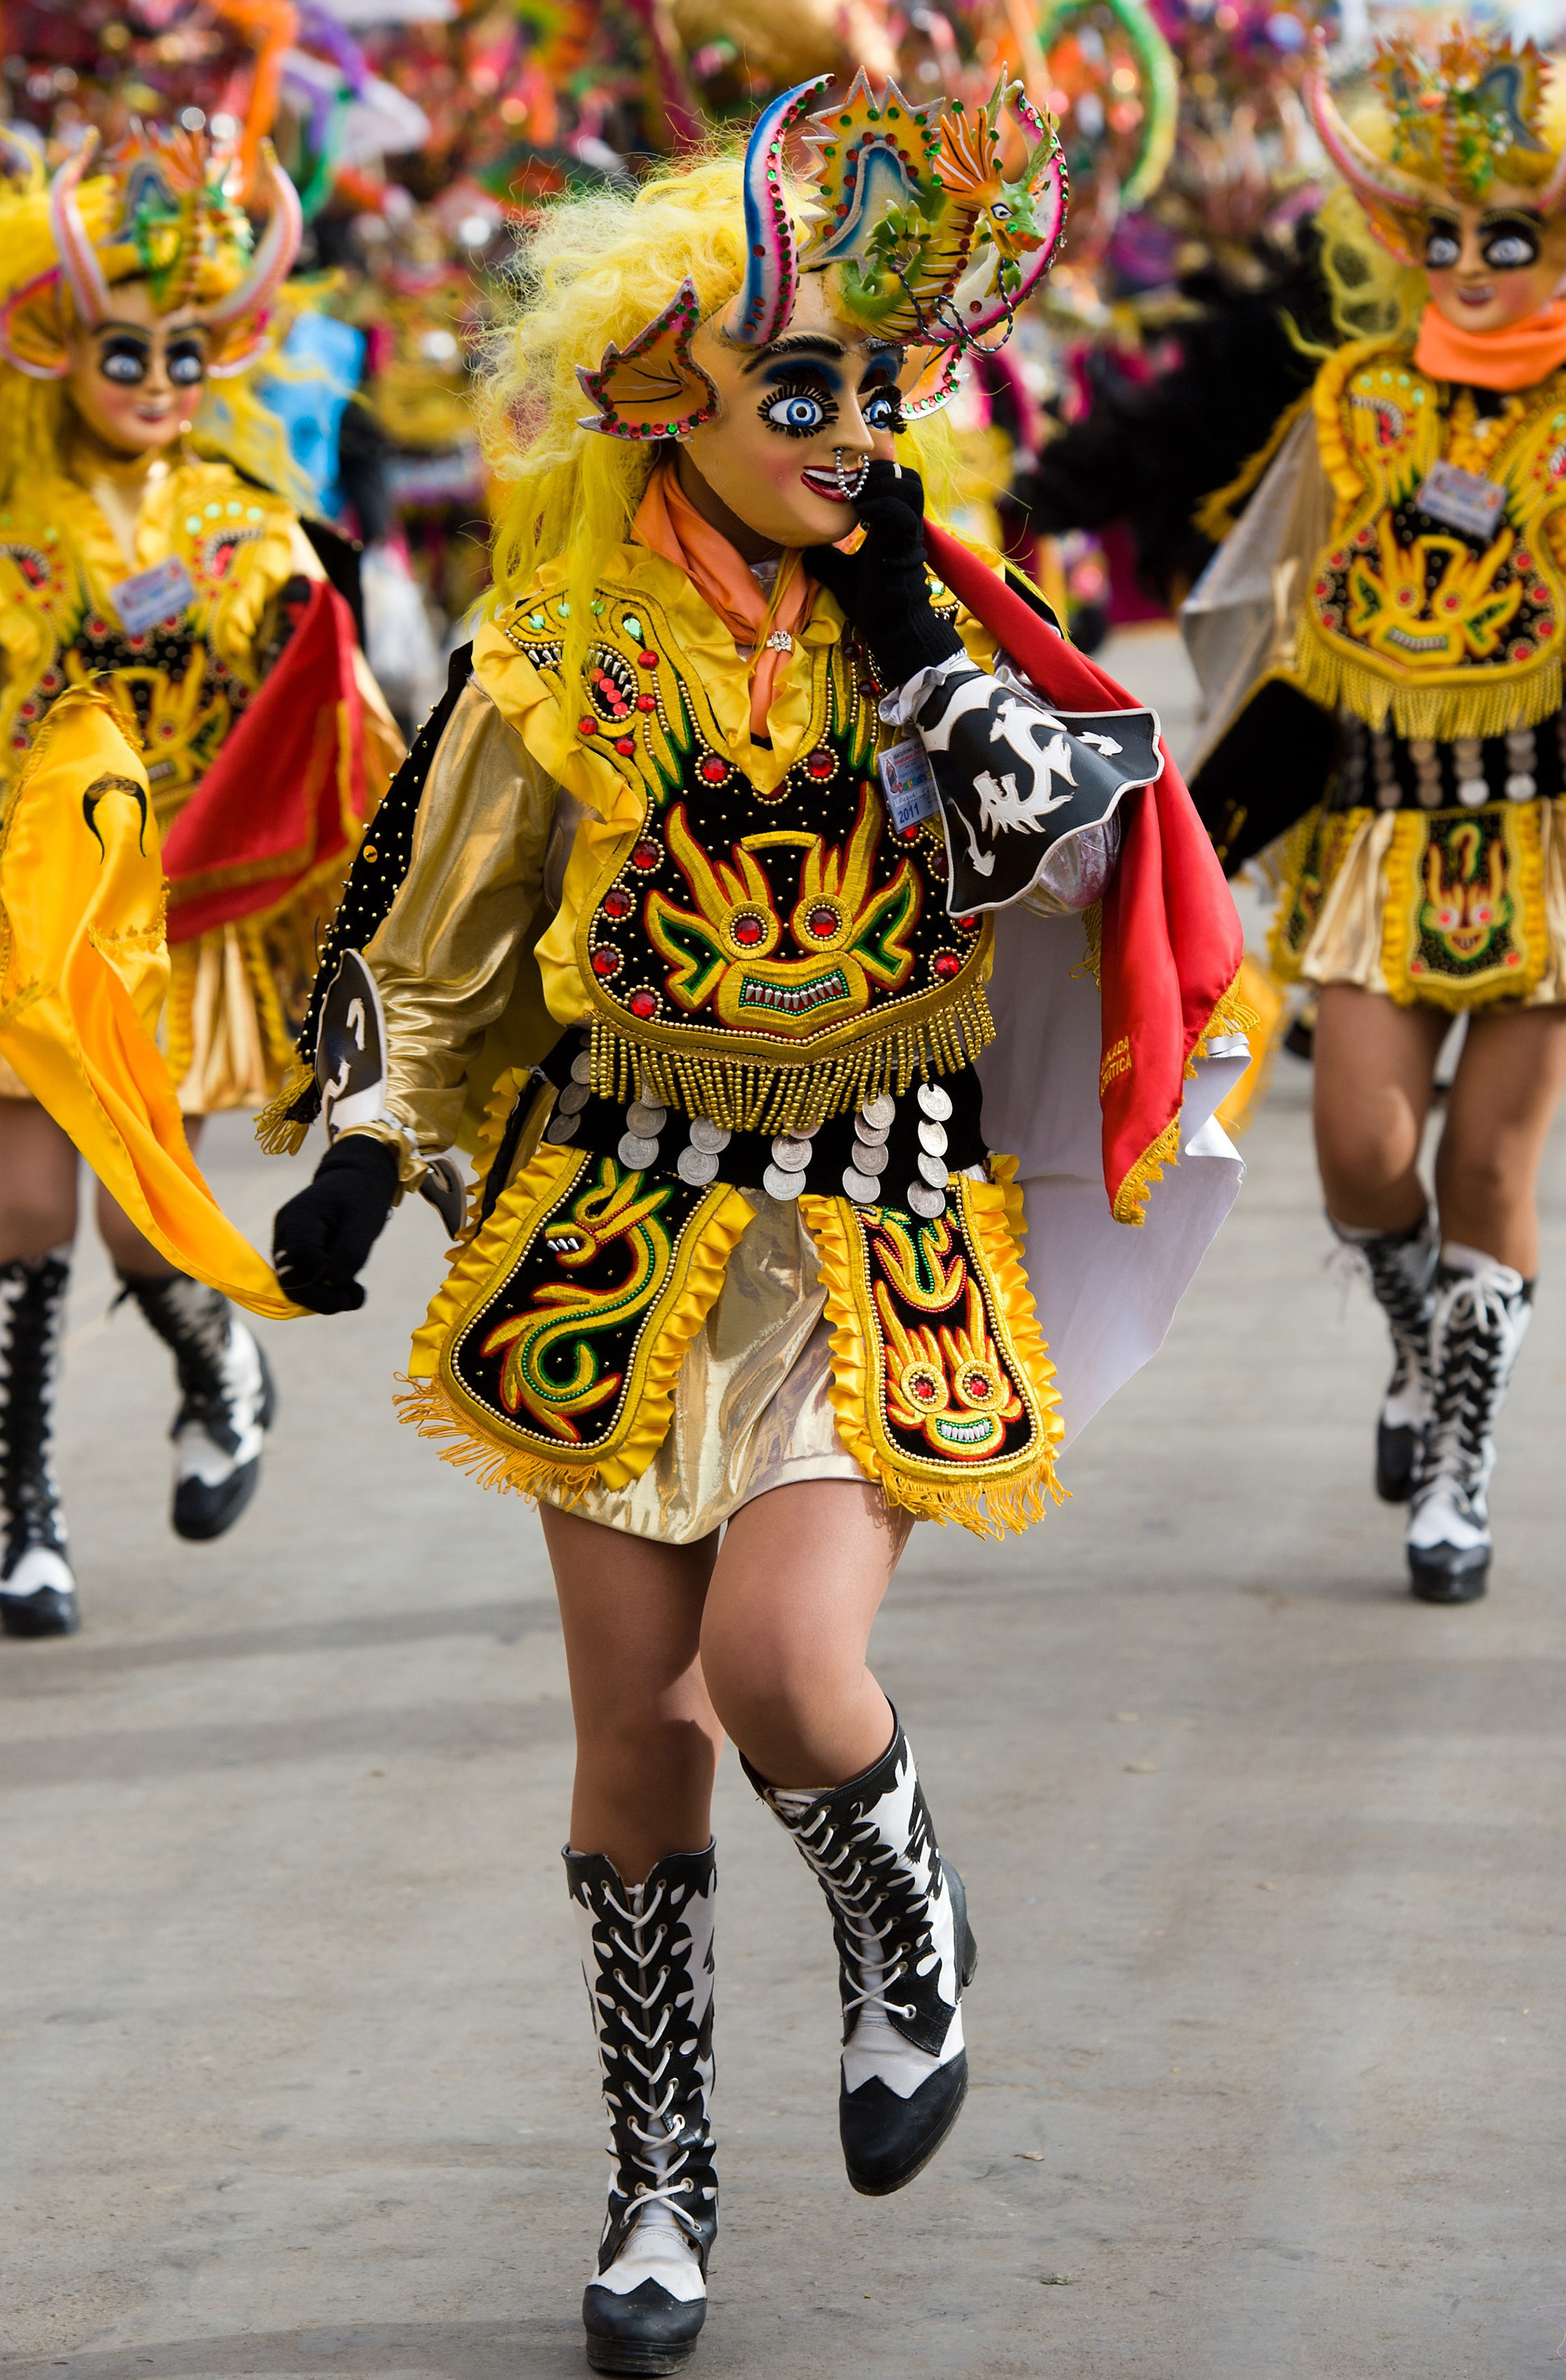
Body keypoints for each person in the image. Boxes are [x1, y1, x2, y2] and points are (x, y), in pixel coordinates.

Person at [269, 73, 1246, 2375]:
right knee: (640, 1740)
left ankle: (906, 1920)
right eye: (798, 387)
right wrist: (372, 1151)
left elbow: (1056, 852)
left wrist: (912, 625)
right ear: (662, 397)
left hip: (875, 1238)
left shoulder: (941, 628)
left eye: (881, 386)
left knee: (795, 1675)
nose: (850, 426)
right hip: (616, 1234)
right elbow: (453, 939)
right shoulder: (553, 657)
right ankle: (660, 2185)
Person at [0, 122, 399, 1638]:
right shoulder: (9, 517)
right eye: (124, 348)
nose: (158, 381)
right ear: (57, 348)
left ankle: (218, 1360)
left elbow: (318, 714)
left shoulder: (242, 520)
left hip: (158, 914)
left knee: (131, 1219)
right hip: (18, 904)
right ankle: (21, 1513)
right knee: (23, 1212)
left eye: (186, 350)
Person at [1183, 30, 1566, 1606]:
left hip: (1543, 848)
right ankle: (1420, 1351)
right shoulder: (1356, 404)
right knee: (1357, 1157)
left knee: (1488, 1173)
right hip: (1382, 839)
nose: (1472, 267)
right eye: (1447, 235)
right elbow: (1288, 634)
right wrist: (1202, 827)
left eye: (1515, 236)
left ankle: (1459, 1462)